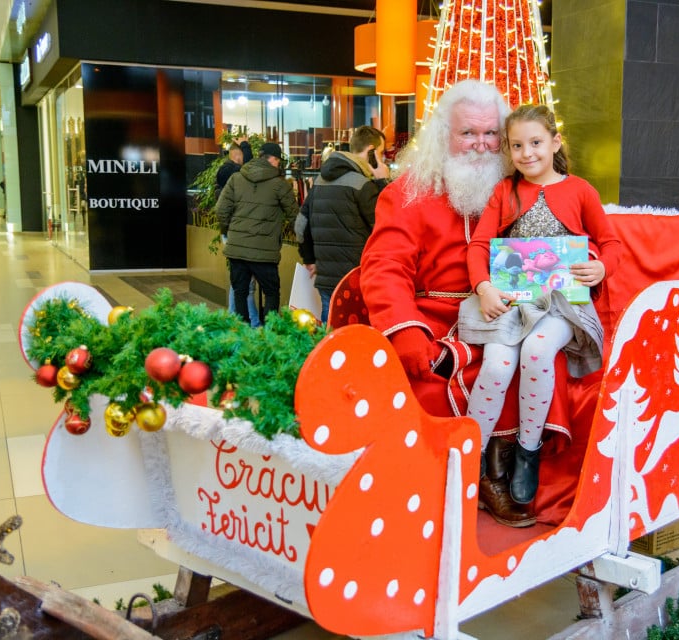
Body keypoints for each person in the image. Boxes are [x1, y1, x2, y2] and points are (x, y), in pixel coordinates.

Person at [360, 79, 547, 527]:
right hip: (435, 320)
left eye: (489, 134)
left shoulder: (519, 190)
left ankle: (506, 467)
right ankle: (471, 473)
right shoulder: (407, 193)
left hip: (506, 311)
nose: (480, 145)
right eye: (468, 133)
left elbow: (552, 244)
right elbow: (385, 267)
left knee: (540, 359)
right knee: (467, 369)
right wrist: (405, 329)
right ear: (443, 135)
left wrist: (583, 265)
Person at [458, 104, 622, 508]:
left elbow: (613, 244)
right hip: (511, 301)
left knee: (536, 351)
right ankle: (467, 458)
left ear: (555, 142)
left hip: (562, 305)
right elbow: (478, 245)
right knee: (496, 364)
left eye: (535, 143)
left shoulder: (580, 190)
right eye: (517, 145)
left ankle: (527, 453)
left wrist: (601, 268)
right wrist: (483, 288)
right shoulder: (504, 191)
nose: (527, 153)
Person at [296, 125, 390, 322]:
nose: (383, 160)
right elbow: (384, 225)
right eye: (381, 153)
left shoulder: (320, 181)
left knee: (329, 328)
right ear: (371, 151)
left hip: (325, 277)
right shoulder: (363, 185)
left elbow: (301, 224)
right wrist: (383, 182)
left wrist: (309, 258)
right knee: (356, 334)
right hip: (355, 278)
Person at [216, 142, 298, 324]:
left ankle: (244, 338)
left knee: (240, 292)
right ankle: (268, 336)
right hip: (265, 253)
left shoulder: (236, 179)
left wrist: (233, 231)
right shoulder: (280, 185)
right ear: (274, 159)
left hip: (237, 251)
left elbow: (221, 210)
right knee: (271, 293)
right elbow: (295, 216)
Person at [216, 139, 260, 327]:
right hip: (238, 235)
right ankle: (250, 323)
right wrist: (246, 148)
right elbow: (249, 170)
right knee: (244, 284)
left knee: (239, 282)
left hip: (232, 234)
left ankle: (234, 319)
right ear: (237, 157)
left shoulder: (225, 175)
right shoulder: (230, 173)